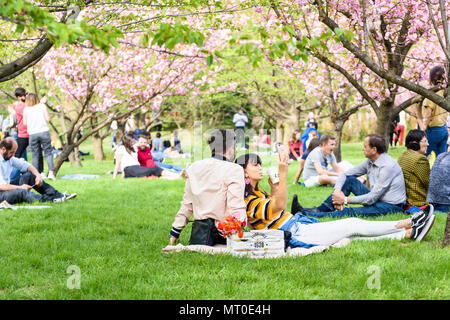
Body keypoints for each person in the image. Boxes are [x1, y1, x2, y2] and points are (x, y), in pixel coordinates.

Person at [235, 152, 436, 248]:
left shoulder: (258, 194)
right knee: (352, 224)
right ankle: (409, 222)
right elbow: (278, 206)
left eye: (260, 164)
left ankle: (409, 233)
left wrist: (274, 187)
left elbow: (276, 208)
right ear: (243, 172)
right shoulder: (248, 201)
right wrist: (284, 171)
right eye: (255, 166)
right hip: (295, 232)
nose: (260, 167)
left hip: (297, 225)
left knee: (352, 236)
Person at [294, 134, 406, 218]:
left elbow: (372, 197)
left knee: (350, 212)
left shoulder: (387, 166)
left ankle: (304, 215)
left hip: (390, 206)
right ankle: (317, 210)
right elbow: (345, 174)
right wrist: (337, 191)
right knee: (350, 180)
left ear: (374, 150)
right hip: (377, 199)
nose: (363, 149)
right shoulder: (370, 161)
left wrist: (345, 200)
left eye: (365, 146)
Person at [169, 129, 246, 246]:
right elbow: (235, 206)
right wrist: (241, 234)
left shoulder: (194, 167)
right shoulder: (234, 169)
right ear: (231, 148)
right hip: (225, 233)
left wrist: (175, 232)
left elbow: (187, 203)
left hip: (199, 236)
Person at [0, 137, 76, 204]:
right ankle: (51, 200)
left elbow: (26, 165)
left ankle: (58, 195)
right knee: (22, 192)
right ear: (3, 149)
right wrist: (20, 187)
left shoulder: (9, 158)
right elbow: (2, 186)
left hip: (6, 188)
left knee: (29, 176)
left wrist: (38, 176)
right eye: (11, 152)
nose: (13, 155)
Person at [113, 132, 182, 180]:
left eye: (133, 141)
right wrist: (114, 177)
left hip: (137, 167)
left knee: (154, 175)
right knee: (154, 169)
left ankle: (177, 177)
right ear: (127, 141)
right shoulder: (121, 148)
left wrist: (146, 143)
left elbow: (141, 145)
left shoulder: (134, 148)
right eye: (131, 142)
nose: (133, 143)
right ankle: (178, 175)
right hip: (129, 169)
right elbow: (117, 164)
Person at [22, 94, 56, 180]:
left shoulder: (26, 109)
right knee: (48, 152)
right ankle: (51, 173)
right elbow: (48, 119)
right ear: (36, 99)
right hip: (43, 131)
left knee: (35, 154)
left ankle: (37, 174)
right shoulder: (42, 106)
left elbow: (25, 123)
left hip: (33, 134)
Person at [418, 66, 449, 157]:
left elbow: (428, 114)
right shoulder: (445, 92)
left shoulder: (431, 94)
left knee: (424, 155)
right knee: (442, 157)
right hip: (443, 129)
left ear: (431, 79)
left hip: (433, 130)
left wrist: (423, 128)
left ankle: (423, 171)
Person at [397, 130, 430, 210]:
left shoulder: (403, 155)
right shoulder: (420, 159)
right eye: (425, 141)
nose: (428, 144)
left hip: (405, 202)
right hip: (418, 203)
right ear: (415, 143)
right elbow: (429, 184)